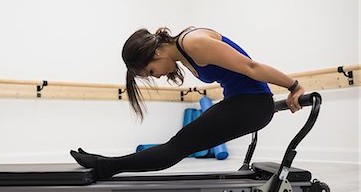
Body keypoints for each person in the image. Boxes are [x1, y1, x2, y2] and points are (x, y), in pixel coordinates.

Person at [70, 26, 305, 179]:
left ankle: (106, 167)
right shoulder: (184, 51)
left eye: (151, 72)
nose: (158, 77)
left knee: (177, 147)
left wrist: (293, 86)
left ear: (157, 53)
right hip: (241, 102)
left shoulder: (194, 43)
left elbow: (251, 67)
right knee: (179, 144)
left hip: (251, 105)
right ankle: (106, 165)